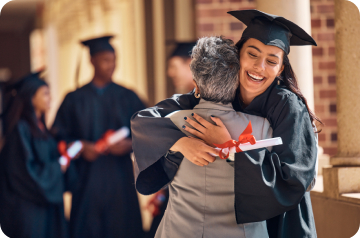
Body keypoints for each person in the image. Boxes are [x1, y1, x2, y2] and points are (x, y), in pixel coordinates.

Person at [131, 10, 320, 238]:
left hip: (282, 222)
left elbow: (295, 180)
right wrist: (180, 143)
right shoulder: (217, 93)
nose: (260, 66)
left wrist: (231, 147)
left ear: (280, 69)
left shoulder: (288, 106)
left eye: (271, 61)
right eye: (252, 54)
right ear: (238, 55)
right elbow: (145, 120)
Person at [155, 36, 274, 238]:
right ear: (236, 82)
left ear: (196, 86)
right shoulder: (262, 127)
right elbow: (274, 183)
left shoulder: (169, 123)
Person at [51, 36, 145, 238]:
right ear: (92, 60)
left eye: (114, 60)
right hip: (87, 180)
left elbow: (149, 132)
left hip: (119, 180)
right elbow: (58, 137)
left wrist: (131, 144)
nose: (111, 65)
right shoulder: (74, 99)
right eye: (105, 60)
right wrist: (81, 147)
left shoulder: (128, 96)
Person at [0, 72, 68, 238]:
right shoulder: (19, 130)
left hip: (45, 205)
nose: (50, 98)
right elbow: (23, 172)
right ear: (31, 97)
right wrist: (57, 168)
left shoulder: (42, 129)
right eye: (45, 93)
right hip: (29, 208)